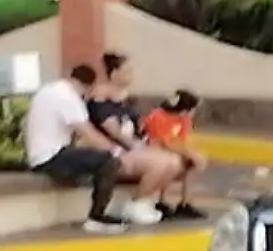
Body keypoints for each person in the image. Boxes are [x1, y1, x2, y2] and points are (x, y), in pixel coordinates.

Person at [24, 64, 172, 231]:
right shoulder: (68, 97)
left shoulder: (49, 90)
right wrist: (118, 152)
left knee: (96, 158)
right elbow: (89, 133)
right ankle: (97, 217)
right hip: (52, 158)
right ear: (87, 87)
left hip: (41, 156)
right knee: (109, 162)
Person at [141, 89, 209, 220]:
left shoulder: (184, 120)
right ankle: (159, 200)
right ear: (185, 110)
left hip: (170, 150)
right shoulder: (158, 117)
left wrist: (193, 154)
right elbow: (159, 142)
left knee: (192, 164)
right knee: (171, 163)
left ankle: (185, 203)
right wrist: (188, 153)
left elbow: (182, 141)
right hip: (151, 151)